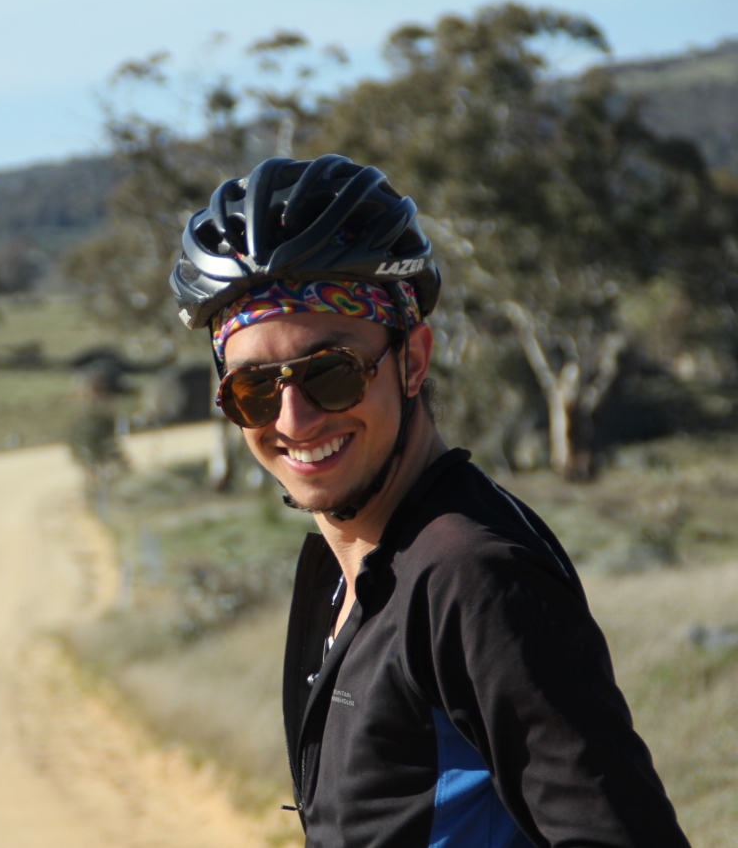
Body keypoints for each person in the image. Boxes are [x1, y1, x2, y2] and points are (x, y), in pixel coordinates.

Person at [168, 155, 689, 847]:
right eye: (254, 388)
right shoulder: (353, 571)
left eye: (331, 373)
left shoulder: (470, 579)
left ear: (413, 359)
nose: (293, 420)